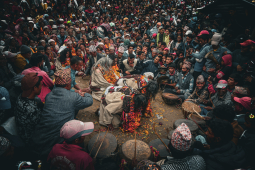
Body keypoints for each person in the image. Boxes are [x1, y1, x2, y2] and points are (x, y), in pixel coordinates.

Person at [29, 69, 93, 159]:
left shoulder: (49, 95)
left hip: (40, 137)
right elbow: (89, 101)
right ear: (67, 85)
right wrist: (85, 94)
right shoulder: (73, 97)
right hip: (57, 139)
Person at [14, 73, 43, 145]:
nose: (41, 87)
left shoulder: (19, 97)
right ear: (34, 88)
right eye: (40, 85)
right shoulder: (32, 110)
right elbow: (40, 126)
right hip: (30, 140)